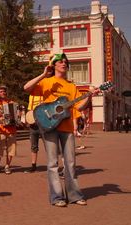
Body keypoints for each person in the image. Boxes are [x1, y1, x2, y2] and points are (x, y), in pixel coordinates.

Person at [24, 53, 99, 207]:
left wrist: (90, 96)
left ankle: (74, 195)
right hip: (49, 125)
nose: (64, 63)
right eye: (60, 61)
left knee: (70, 163)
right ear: (54, 65)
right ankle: (57, 197)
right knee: (52, 163)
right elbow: (26, 88)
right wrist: (44, 74)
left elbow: (79, 106)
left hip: (67, 128)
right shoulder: (47, 81)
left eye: (66, 62)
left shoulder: (71, 86)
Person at [0, 85, 17, 174]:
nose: (3, 93)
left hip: (11, 130)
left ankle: (7, 166)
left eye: (4, 91)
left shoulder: (12, 103)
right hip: (0, 130)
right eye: (1, 91)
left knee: (11, 149)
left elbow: (16, 114)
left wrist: (18, 115)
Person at [24, 95, 43, 173]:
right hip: (33, 125)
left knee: (48, 146)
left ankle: (53, 166)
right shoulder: (32, 96)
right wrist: (28, 119)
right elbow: (29, 110)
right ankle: (33, 166)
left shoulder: (44, 94)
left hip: (43, 124)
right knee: (33, 146)